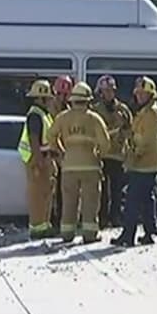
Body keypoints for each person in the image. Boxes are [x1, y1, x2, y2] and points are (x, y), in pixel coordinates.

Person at [46, 82, 110, 243]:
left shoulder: (63, 117)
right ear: (88, 100)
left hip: (68, 167)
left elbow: (50, 136)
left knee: (69, 202)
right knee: (90, 202)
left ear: (72, 100)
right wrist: (98, 155)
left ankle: (67, 233)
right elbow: (105, 143)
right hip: (90, 166)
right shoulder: (94, 118)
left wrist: (61, 153)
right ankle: (89, 235)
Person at [114, 76, 157, 248]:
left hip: (144, 164)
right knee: (145, 199)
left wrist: (134, 154)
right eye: (138, 93)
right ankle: (150, 232)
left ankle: (128, 236)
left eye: (143, 94)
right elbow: (136, 135)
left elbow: (147, 139)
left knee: (132, 201)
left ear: (151, 94)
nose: (139, 96)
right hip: (145, 163)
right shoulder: (144, 112)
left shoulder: (151, 114)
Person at [90, 75, 131, 228]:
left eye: (111, 91)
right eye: (105, 91)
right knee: (102, 191)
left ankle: (115, 217)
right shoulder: (95, 110)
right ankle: (102, 218)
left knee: (117, 190)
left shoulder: (123, 109)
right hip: (101, 155)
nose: (108, 94)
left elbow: (129, 130)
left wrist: (123, 134)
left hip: (118, 156)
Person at [19, 79, 58, 240]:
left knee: (45, 194)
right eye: (48, 98)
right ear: (41, 97)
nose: (50, 100)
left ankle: (44, 225)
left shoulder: (43, 114)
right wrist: (39, 161)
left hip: (43, 158)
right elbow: (34, 138)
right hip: (36, 160)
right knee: (37, 195)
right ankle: (37, 228)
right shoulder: (35, 115)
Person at [48, 75, 75, 233]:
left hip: (65, 157)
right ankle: (52, 220)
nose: (63, 97)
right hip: (52, 155)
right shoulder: (50, 110)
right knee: (51, 194)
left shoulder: (69, 111)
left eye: (65, 94)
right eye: (60, 94)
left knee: (64, 193)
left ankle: (60, 222)